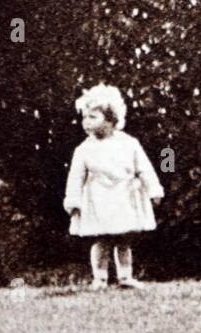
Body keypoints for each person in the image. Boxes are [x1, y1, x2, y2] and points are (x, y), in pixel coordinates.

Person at [64, 83, 163, 290]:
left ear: (110, 119)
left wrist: (154, 189)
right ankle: (99, 278)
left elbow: (144, 168)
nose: (86, 122)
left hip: (123, 197)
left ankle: (125, 276)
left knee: (124, 238)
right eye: (84, 117)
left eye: (93, 117)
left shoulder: (129, 143)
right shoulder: (84, 149)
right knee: (101, 240)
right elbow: (75, 177)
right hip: (98, 198)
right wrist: (73, 201)